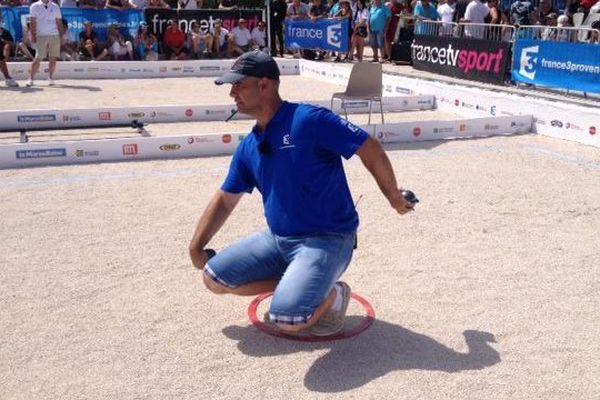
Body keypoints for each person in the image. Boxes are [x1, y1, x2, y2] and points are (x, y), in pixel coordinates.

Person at [189, 50, 415, 337]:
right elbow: (225, 198)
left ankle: (333, 294)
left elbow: (367, 146)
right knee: (213, 277)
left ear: (264, 85)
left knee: (288, 319)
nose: (232, 92)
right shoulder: (250, 145)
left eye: (239, 84)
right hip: (278, 240)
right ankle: (300, 283)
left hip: (328, 239)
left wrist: (393, 196)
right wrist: (197, 246)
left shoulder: (308, 120)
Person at [27, 0, 64, 87]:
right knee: (38, 58)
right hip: (41, 35)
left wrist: (62, 36)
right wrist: (32, 34)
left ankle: (50, 78)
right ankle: (31, 79)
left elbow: (59, 22)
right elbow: (32, 22)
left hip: (54, 35)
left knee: (53, 58)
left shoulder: (55, 6)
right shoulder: (34, 6)